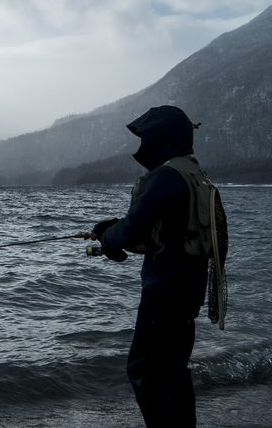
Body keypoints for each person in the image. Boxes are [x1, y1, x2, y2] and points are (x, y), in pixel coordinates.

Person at [89, 105, 211, 428]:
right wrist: (113, 227)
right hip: (189, 292)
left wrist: (109, 238)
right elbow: (165, 227)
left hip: (164, 293)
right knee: (174, 370)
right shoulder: (194, 174)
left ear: (162, 137)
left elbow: (131, 232)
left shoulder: (165, 176)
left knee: (143, 369)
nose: (142, 143)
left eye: (146, 136)